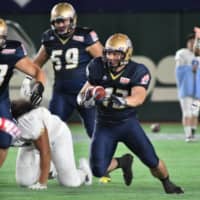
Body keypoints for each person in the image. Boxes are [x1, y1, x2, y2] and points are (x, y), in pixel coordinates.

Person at [77, 33, 184, 194]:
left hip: (127, 124)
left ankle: (167, 182)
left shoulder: (137, 70)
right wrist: (87, 97)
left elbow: (139, 97)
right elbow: (81, 95)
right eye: (109, 53)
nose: (111, 57)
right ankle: (122, 162)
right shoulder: (96, 66)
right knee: (98, 169)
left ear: (126, 54)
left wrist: (123, 101)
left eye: (116, 53)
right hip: (104, 124)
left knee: (152, 161)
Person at [21, 2, 103, 139]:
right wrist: (28, 80)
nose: (60, 25)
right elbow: (36, 64)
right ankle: (49, 160)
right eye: (56, 22)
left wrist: (97, 84)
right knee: (50, 131)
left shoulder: (85, 36)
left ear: (72, 20)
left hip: (85, 92)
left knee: (95, 133)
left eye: (63, 21)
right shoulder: (49, 38)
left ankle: (112, 161)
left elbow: (104, 62)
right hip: (62, 94)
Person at [9, 99, 92, 190]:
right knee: (24, 181)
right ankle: (51, 168)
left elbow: (45, 151)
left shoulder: (28, 122)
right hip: (30, 143)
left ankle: (84, 172)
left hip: (56, 136)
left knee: (70, 182)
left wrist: (42, 183)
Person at [0, 18, 46, 163]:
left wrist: (39, 87)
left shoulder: (11, 51)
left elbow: (36, 71)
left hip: (0, 100)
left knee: (5, 140)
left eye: (1, 37)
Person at [175, 31, 200, 142]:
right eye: (190, 42)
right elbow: (178, 70)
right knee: (187, 112)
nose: (192, 44)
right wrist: (191, 68)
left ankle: (192, 133)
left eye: (194, 42)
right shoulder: (182, 53)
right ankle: (188, 135)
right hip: (186, 90)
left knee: (195, 112)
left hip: (197, 91)